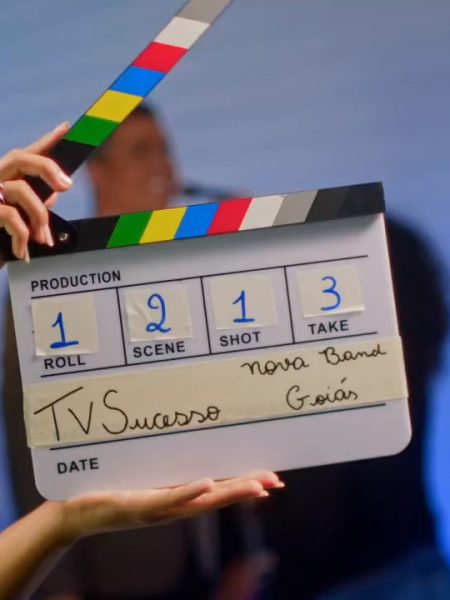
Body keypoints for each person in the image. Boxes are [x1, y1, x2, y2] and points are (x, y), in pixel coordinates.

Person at [0, 124, 284, 600]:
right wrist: (60, 589)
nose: (162, 166)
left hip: (207, 560)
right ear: (98, 173)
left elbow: (222, 413)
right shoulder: (47, 281)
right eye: (141, 151)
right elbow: (31, 447)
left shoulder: (191, 269)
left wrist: (240, 551)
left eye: (165, 150)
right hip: (120, 571)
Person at [260, 217, 450, 598]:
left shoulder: (331, 375)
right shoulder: (405, 344)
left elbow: (311, 513)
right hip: (406, 566)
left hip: (359, 577)